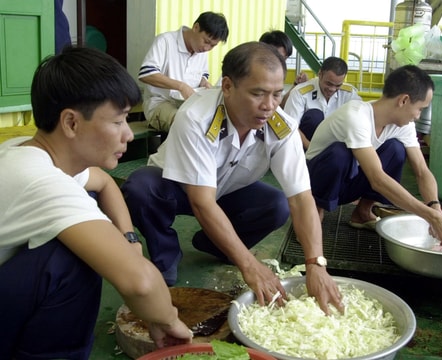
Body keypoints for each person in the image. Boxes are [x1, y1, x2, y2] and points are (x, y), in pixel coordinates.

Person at [122, 41, 343, 315]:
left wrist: (316, 264)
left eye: (277, 94)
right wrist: (250, 265)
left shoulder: (282, 127)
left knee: (277, 204)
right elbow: (201, 202)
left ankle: (215, 245)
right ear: (227, 86)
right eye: (258, 93)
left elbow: (301, 198)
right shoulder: (196, 116)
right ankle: (166, 256)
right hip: (178, 189)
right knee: (142, 187)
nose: (269, 106)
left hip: (226, 191)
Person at [0, 47, 193, 359]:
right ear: (72, 123)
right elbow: (140, 282)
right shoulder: (40, 181)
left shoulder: (31, 153)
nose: (129, 134)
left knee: (88, 223)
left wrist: (129, 240)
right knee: (71, 259)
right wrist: (167, 319)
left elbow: (103, 183)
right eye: (118, 121)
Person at [305, 65, 442, 251]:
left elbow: (421, 170)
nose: (418, 116)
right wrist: (430, 217)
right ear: (404, 100)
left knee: (395, 149)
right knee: (340, 152)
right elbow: (377, 178)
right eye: (420, 109)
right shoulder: (355, 116)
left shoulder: (403, 126)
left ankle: (362, 212)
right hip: (314, 182)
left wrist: (435, 207)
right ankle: (314, 213)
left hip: (348, 182)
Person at [138, 11, 229, 132]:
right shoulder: (165, 41)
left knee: (218, 123)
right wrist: (181, 86)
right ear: (196, 27)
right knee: (187, 125)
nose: (207, 48)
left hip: (188, 106)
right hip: (159, 104)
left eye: (213, 45)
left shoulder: (201, 51)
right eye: (206, 41)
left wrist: (204, 83)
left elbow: (202, 75)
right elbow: (146, 74)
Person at [284, 56, 361, 150]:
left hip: (335, 146)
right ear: (320, 74)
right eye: (329, 84)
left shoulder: (349, 94)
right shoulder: (300, 93)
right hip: (306, 147)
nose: (332, 89)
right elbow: (291, 127)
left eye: (338, 85)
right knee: (315, 116)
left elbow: (360, 122)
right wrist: (311, 150)